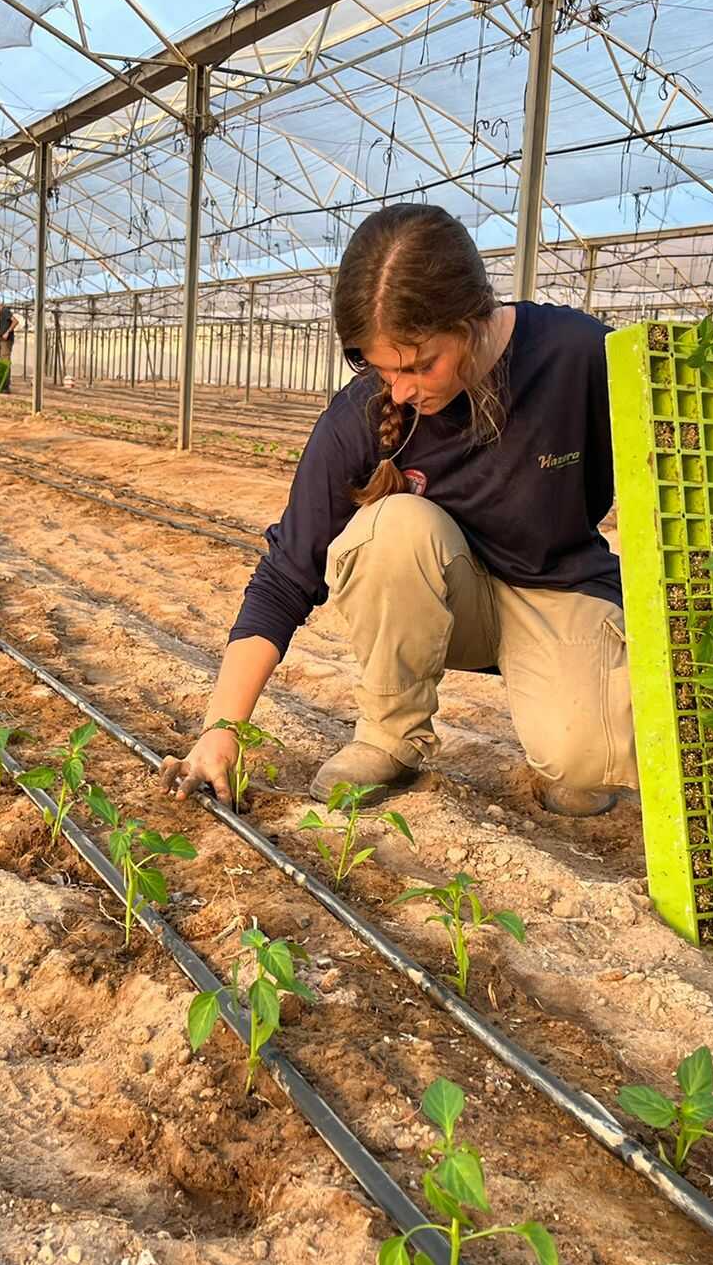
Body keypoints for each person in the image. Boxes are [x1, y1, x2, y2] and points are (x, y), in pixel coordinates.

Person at [157, 203, 635, 818]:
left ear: (473, 320)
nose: (402, 391)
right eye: (382, 369)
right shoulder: (361, 414)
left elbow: (679, 470)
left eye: (420, 366)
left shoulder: (579, 355)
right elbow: (285, 577)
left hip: (557, 591)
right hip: (444, 597)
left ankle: (570, 724)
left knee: (586, 760)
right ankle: (390, 738)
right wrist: (220, 732)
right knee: (390, 526)